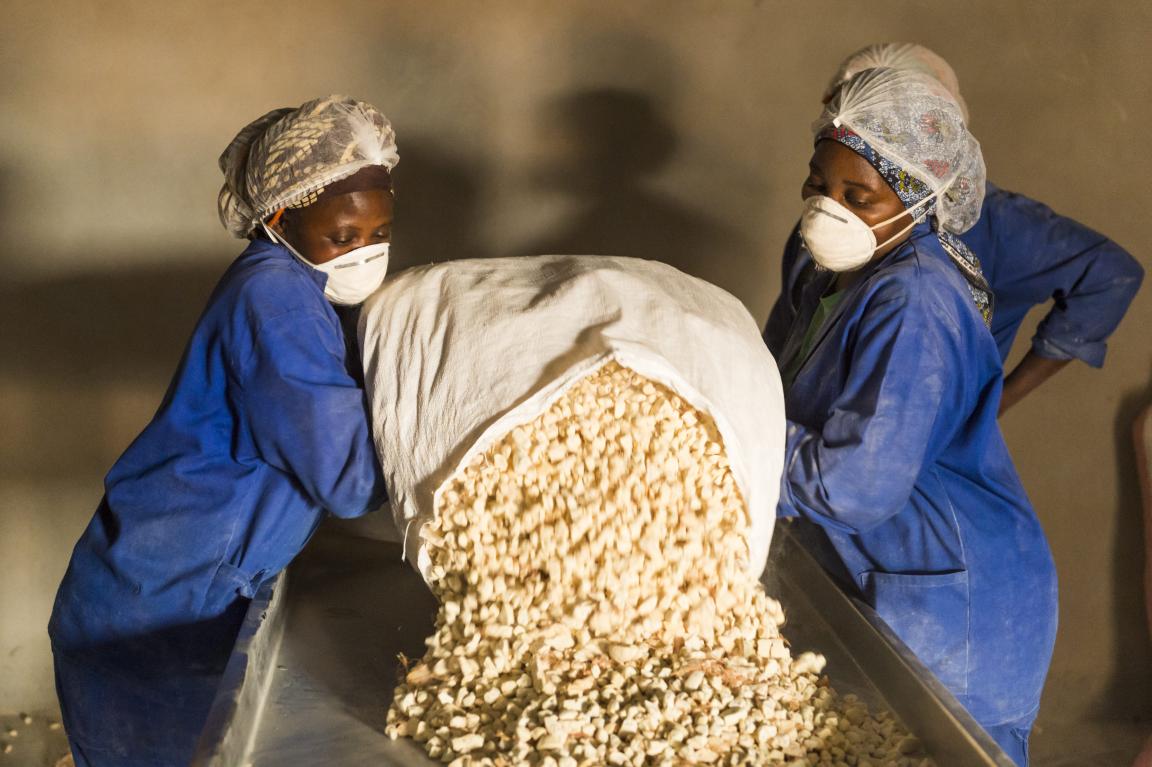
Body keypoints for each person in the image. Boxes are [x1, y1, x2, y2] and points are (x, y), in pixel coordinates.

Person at [48, 95, 395, 767]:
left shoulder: (304, 289)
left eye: (379, 232)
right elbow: (350, 475)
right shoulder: (274, 299)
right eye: (343, 235)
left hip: (180, 591)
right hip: (152, 616)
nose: (365, 252)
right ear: (278, 217)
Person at [772, 68, 1057, 764]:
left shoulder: (915, 300)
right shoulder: (829, 279)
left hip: (953, 595)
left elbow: (855, 484)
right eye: (818, 183)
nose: (825, 206)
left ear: (918, 198)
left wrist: (736, 441)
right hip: (891, 566)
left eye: (856, 195)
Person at [767, 43, 1143, 414]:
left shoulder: (931, 279)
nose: (859, 128)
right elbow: (786, 344)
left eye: (884, 118)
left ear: (933, 132)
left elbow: (870, 459)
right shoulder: (824, 222)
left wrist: (991, 407)